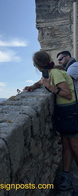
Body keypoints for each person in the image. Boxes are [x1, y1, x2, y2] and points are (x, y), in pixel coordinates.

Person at [24, 51, 78, 190]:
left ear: (36, 65)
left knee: (74, 147)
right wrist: (34, 86)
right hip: (64, 113)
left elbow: (67, 94)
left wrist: (50, 87)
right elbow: (42, 81)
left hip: (70, 112)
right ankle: (66, 174)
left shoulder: (56, 73)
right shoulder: (48, 73)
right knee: (66, 145)